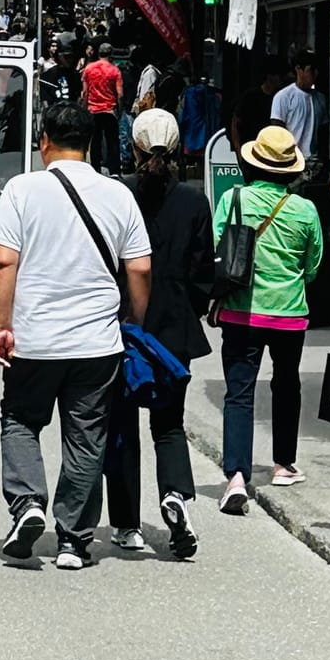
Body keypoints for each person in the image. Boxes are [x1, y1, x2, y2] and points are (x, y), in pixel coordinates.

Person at [0, 99, 152, 571]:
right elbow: (139, 267)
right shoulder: (118, 195)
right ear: (91, 142)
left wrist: (1, 326)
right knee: (86, 437)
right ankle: (74, 542)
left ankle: (28, 504)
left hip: (35, 338)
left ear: (44, 141)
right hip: (98, 343)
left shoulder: (22, 190)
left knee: (20, 420)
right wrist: (133, 322)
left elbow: (3, 261)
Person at [112, 107, 213, 559]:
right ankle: (175, 493)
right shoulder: (194, 201)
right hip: (174, 329)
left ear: (133, 147)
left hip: (124, 327)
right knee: (169, 424)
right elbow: (201, 275)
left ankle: (127, 524)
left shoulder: (118, 194)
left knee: (122, 425)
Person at [213, 121, 325, 513]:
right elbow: (313, 267)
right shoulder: (306, 210)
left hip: (242, 312)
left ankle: (237, 476)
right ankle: (283, 464)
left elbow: (217, 246)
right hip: (290, 313)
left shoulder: (235, 198)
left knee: (240, 392)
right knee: (287, 386)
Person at [80, 40, 124, 172]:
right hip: (109, 110)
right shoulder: (115, 71)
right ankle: (115, 170)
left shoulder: (88, 69)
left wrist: (84, 109)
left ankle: (95, 168)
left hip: (93, 110)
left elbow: (85, 92)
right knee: (112, 141)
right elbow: (120, 94)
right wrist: (120, 111)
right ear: (111, 55)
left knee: (95, 141)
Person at [271, 49, 321, 160]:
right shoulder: (284, 96)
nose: (315, 74)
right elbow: (277, 130)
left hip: (313, 159)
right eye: (311, 70)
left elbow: (323, 130)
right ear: (299, 69)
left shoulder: (320, 98)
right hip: (291, 159)